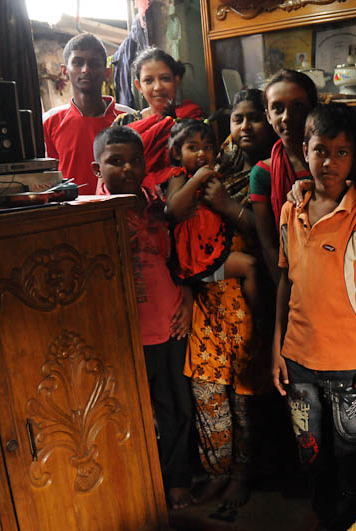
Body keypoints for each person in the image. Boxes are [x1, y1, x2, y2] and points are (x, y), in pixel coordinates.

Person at [272, 103, 356, 529]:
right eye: (320, 150)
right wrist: (276, 348)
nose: (329, 162)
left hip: (349, 364)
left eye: (341, 153)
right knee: (309, 451)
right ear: (305, 149)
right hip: (297, 362)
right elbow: (285, 283)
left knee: (352, 455)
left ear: (354, 158)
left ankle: (350, 521)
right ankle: (323, 517)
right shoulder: (289, 211)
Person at [181, 93, 275, 517]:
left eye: (256, 118)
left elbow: (267, 239)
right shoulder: (199, 178)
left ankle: (241, 474)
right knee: (207, 395)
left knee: (246, 397)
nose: (246, 126)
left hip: (247, 308)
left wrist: (225, 206)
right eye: (238, 118)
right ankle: (216, 471)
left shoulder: (264, 175)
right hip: (204, 303)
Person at [91, 126, 193, 510]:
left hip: (170, 327)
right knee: (132, 415)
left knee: (176, 409)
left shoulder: (156, 204)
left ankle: (177, 480)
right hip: (128, 337)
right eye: (115, 161)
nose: (128, 168)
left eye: (135, 160)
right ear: (96, 168)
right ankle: (139, 484)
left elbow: (177, 262)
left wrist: (185, 298)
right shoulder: (93, 217)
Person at [164, 119, 258, 311]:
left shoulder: (214, 177)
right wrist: (197, 179)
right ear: (176, 152)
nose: (201, 153)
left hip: (209, 251)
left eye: (207, 147)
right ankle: (259, 314)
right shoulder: (179, 175)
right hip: (197, 259)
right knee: (250, 266)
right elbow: (173, 210)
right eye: (193, 147)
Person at [250, 70, 317, 285]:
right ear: (268, 116)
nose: (287, 117)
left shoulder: (334, 164)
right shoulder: (262, 174)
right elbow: (269, 244)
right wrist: (287, 292)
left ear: (313, 109)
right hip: (289, 283)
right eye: (277, 108)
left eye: (297, 106)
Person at [43, 33, 134, 193]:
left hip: (121, 211)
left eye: (94, 63)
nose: (86, 70)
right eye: (78, 63)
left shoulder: (129, 118)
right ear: (64, 71)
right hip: (72, 213)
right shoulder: (50, 122)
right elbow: (46, 178)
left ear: (107, 72)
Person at [114, 47, 203, 192]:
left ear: (176, 80)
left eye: (165, 78)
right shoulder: (125, 123)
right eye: (148, 80)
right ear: (139, 86)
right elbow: (108, 172)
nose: (157, 87)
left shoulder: (192, 118)